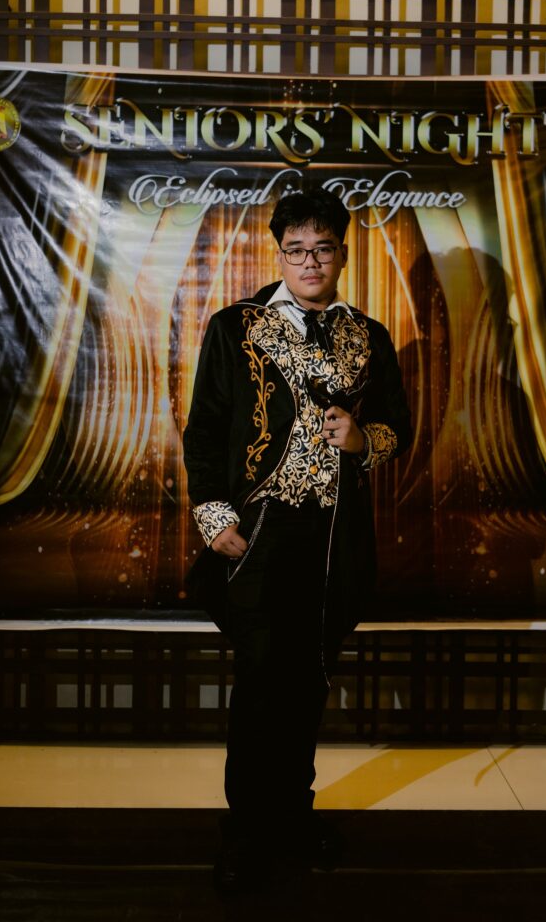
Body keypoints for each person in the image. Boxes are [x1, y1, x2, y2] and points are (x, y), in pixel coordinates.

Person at [182, 186, 411, 892]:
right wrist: (213, 514)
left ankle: (292, 815)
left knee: (309, 680)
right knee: (260, 682)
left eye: (322, 249)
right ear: (278, 254)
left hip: (334, 536)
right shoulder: (235, 326)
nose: (309, 261)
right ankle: (246, 830)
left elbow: (398, 427)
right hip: (259, 531)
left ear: (341, 254)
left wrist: (361, 439)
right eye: (295, 250)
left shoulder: (367, 335)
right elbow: (205, 427)